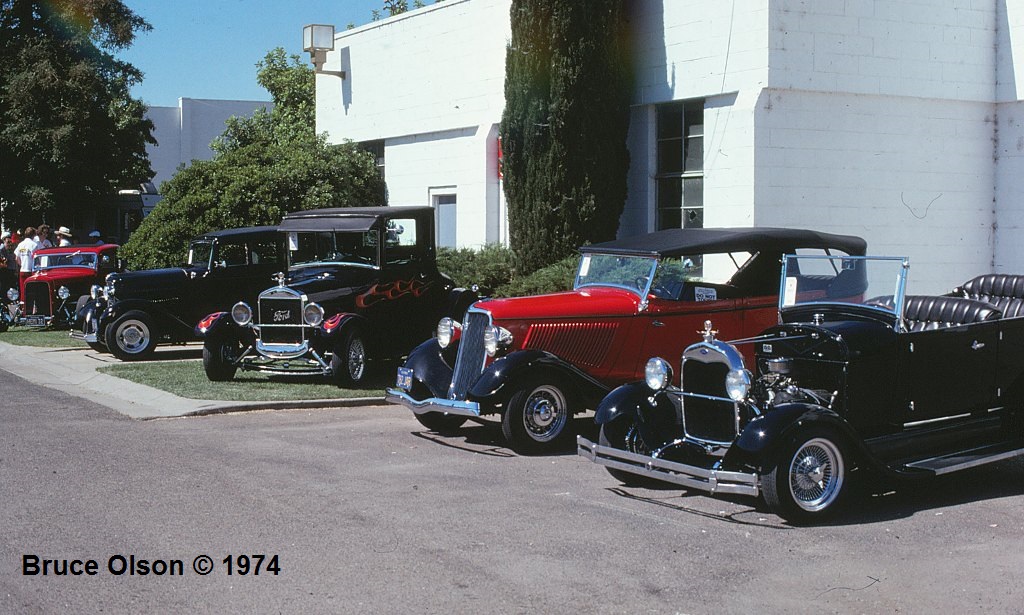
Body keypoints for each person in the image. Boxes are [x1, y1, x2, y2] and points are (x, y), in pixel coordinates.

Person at [15, 226, 38, 299]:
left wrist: (22, 265)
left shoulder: (20, 244)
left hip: (22, 270)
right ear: (33, 235)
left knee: (23, 290)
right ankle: (32, 308)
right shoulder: (34, 245)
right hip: (31, 270)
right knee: (32, 291)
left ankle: (23, 307)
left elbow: (16, 258)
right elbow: (36, 258)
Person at [0, 230, 18, 297]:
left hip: (11, 269)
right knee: (6, 287)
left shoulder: (12, 247)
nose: (9, 239)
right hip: (6, 270)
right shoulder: (2, 248)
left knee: (11, 286)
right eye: (7, 238)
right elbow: (3, 259)